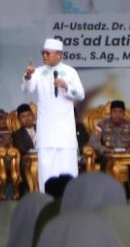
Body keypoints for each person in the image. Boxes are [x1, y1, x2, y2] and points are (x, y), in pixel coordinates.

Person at [21, 37, 85, 185]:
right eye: (43, 53)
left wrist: (66, 86)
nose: (44, 56)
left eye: (48, 53)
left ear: (59, 55)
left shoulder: (70, 72)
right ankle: (46, 198)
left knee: (68, 172)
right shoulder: (38, 72)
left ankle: (68, 198)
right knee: (46, 173)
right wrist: (28, 76)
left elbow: (81, 95)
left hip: (65, 134)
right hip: (47, 133)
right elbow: (27, 89)